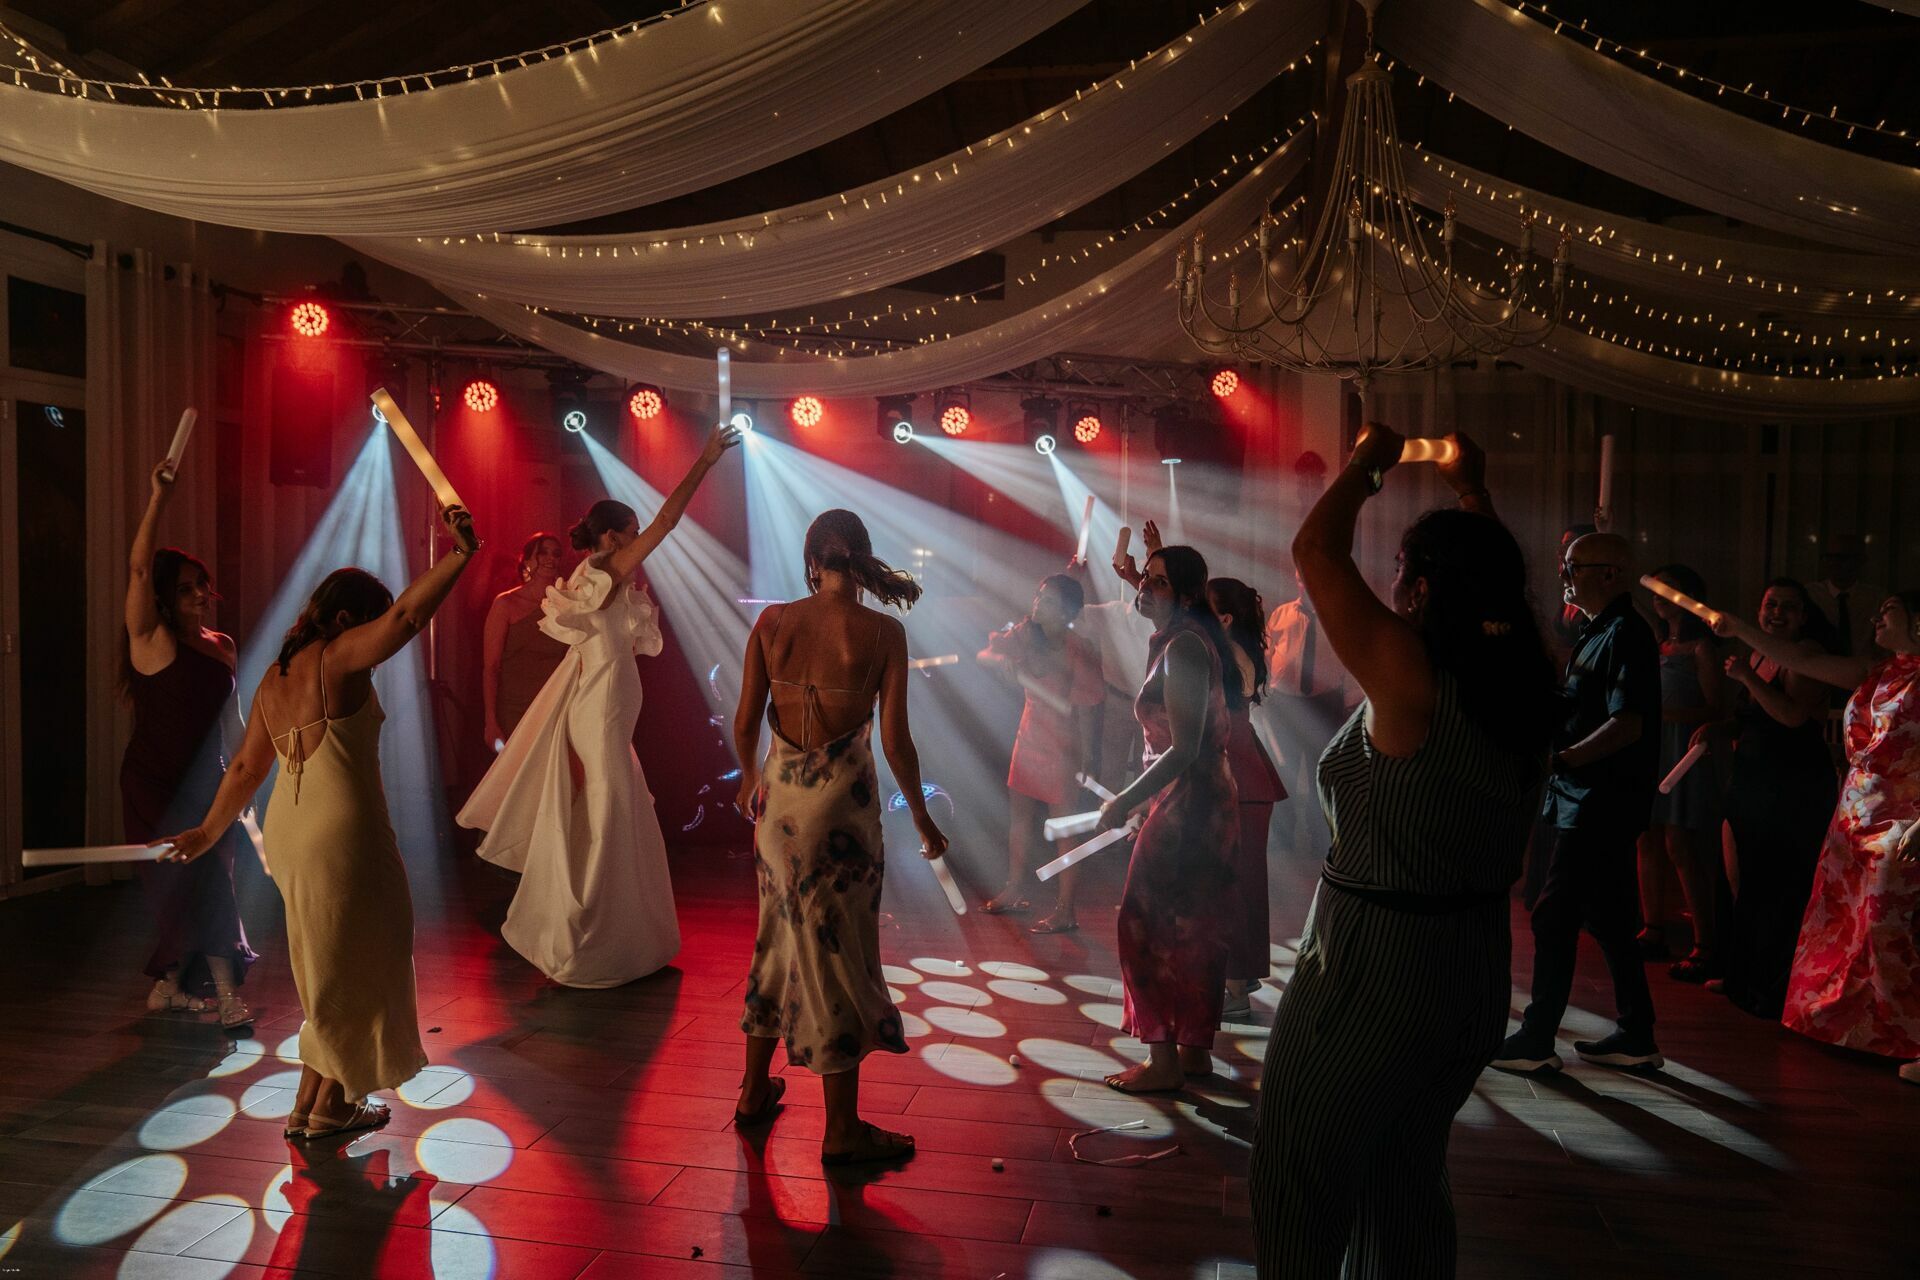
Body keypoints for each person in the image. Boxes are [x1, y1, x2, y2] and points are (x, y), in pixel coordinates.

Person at [1248, 426, 1554, 1279]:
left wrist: (1369, 461)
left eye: (1402, 578)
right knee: (1406, 1178)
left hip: (1374, 965)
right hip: (1470, 967)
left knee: (1298, 1176)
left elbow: (1315, 548)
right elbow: (1494, 578)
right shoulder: (1530, 678)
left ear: (1419, 590)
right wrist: (1472, 492)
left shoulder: (1413, 677)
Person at [158, 503, 481, 1139]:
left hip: (291, 831)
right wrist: (460, 556)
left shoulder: (275, 679)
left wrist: (206, 832)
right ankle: (331, 1105)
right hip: (343, 830)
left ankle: (315, 1106)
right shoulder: (334, 657)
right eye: (369, 620)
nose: (376, 636)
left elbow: (247, 770)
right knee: (366, 960)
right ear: (342, 620)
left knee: (330, 966)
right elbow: (410, 617)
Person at [459, 423, 741, 988]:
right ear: (611, 537)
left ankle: (621, 934)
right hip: (602, 712)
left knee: (617, 811)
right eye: (632, 532)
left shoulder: (604, 580)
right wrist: (705, 461)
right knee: (608, 813)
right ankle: (581, 933)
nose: (642, 540)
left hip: (609, 710)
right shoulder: (605, 570)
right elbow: (668, 522)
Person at [731, 509, 948, 1163]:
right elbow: (895, 741)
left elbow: (745, 721)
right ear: (860, 559)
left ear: (810, 561)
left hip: (780, 810)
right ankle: (842, 1132)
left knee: (776, 942)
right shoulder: (883, 633)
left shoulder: (772, 623)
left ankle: (750, 1094)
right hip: (841, 818)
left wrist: (748, 779)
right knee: (839, 958)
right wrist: (921, 813)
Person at [1714, 590, 1920, 1084]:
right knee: (1845, 925)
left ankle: (1905, 1034)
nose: (1877, 617)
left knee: (1888, 929)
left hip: (1902, 816)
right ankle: (1857, 1029)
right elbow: (1801, 659)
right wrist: (1740, 628)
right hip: (1854, 810)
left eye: (1888, 611)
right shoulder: (1879, 670)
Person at [1494, 527, 1663, 1074]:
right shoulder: (1601, 631)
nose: (1565, 576)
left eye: (1575, 566)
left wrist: (1562, 761)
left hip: (1597, 799)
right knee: (1610, 917)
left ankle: (1537, 1039)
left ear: (1610, 573)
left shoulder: (1626, 635)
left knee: (1553, 915)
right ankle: (1637, 1034)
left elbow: (1627, 723)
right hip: (1582, 797)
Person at [1094, 544, 1239, 1093]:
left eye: (1155, 581)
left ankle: (1163, 1060)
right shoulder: (1186, 641)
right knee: (1194, 924)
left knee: (1144, 923)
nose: (1143, 587)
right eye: (1145, 578)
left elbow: (1183, 748)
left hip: (1190, 800)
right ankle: (1192, 1052)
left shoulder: (1184, 647)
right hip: (1199, 799)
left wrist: (1124, 801)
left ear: (1180, 596)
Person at [122, 461, 257, 1030]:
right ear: (164, 598)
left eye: (202, 585)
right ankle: (226, 999)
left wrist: (245, 779)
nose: (201, 595)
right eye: (186, 589)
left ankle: (169, 987)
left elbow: (233, 718)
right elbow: (136, 569)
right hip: (153, 785)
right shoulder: (151, 641)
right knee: (188, 885)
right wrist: (158, 498)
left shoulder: (222, 645)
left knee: (209, 882)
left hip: (209, 783)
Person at [1694, 580, 1836, 1019]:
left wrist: (1746, 676)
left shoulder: (1805, 655)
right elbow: (1752, 718)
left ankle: (1769, 985)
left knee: (1778, 887)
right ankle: (1740, 973)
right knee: (1742, 881)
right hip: (1752, 779)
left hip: (1791, 786)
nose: (1776, 614)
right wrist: (1721, 729)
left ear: (1803, 616)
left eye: (1788, 608)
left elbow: (1792, 716)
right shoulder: (1757, 652)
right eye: (1770, 605)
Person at [977, 573, 1104, 931]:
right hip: (1029, 732)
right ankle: (1014, 889)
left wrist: (1090, 758)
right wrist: (1002, 663)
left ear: (1066, 611)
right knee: (1019, 818)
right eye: (1038, 596)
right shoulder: (1024, 633)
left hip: (1062, 743)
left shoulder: (1078, 647)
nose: (1037, 605)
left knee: (1064, 828)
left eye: (1047, 601)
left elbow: (1089, 706)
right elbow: (983, 653)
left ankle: (1066, 910)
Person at [1637, 564, 1726, 980]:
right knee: (1647, 837)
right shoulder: (1656, 643)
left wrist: (1666, 714)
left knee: (1680, 845)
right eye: (1655, 588)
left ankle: (1704, 942)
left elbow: (1716, 707)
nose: (1658, 595)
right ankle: (1652, 928)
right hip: (1653, 746)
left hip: (1683, 748)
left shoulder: (1701, 647)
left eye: (1668, 589)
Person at [1208, 576, 1286, 1023]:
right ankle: (1240, 975)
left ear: (1225, 618)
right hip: (1241, 768)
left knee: (1238, 882)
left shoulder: (1228, 655)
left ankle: (1236, 985)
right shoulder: (1230, 650)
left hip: (1240, 774)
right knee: (1236, 879)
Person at [481, 532, 568, 749]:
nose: (551, 558)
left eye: (556, 554)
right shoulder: (506, 603)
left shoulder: (565, 604)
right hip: (514, 709)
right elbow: (491, 667)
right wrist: (490, 721)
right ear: (527, 560)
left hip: (554, 706)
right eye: (543, 553)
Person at [1805, 533, 1885, 662]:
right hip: (1817, 670)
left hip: (1864, 672)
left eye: (1843, 558)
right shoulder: (1809, 595)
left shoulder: (1876, 599)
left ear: (1860, 561)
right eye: (1829, 557)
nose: (1834, 563)